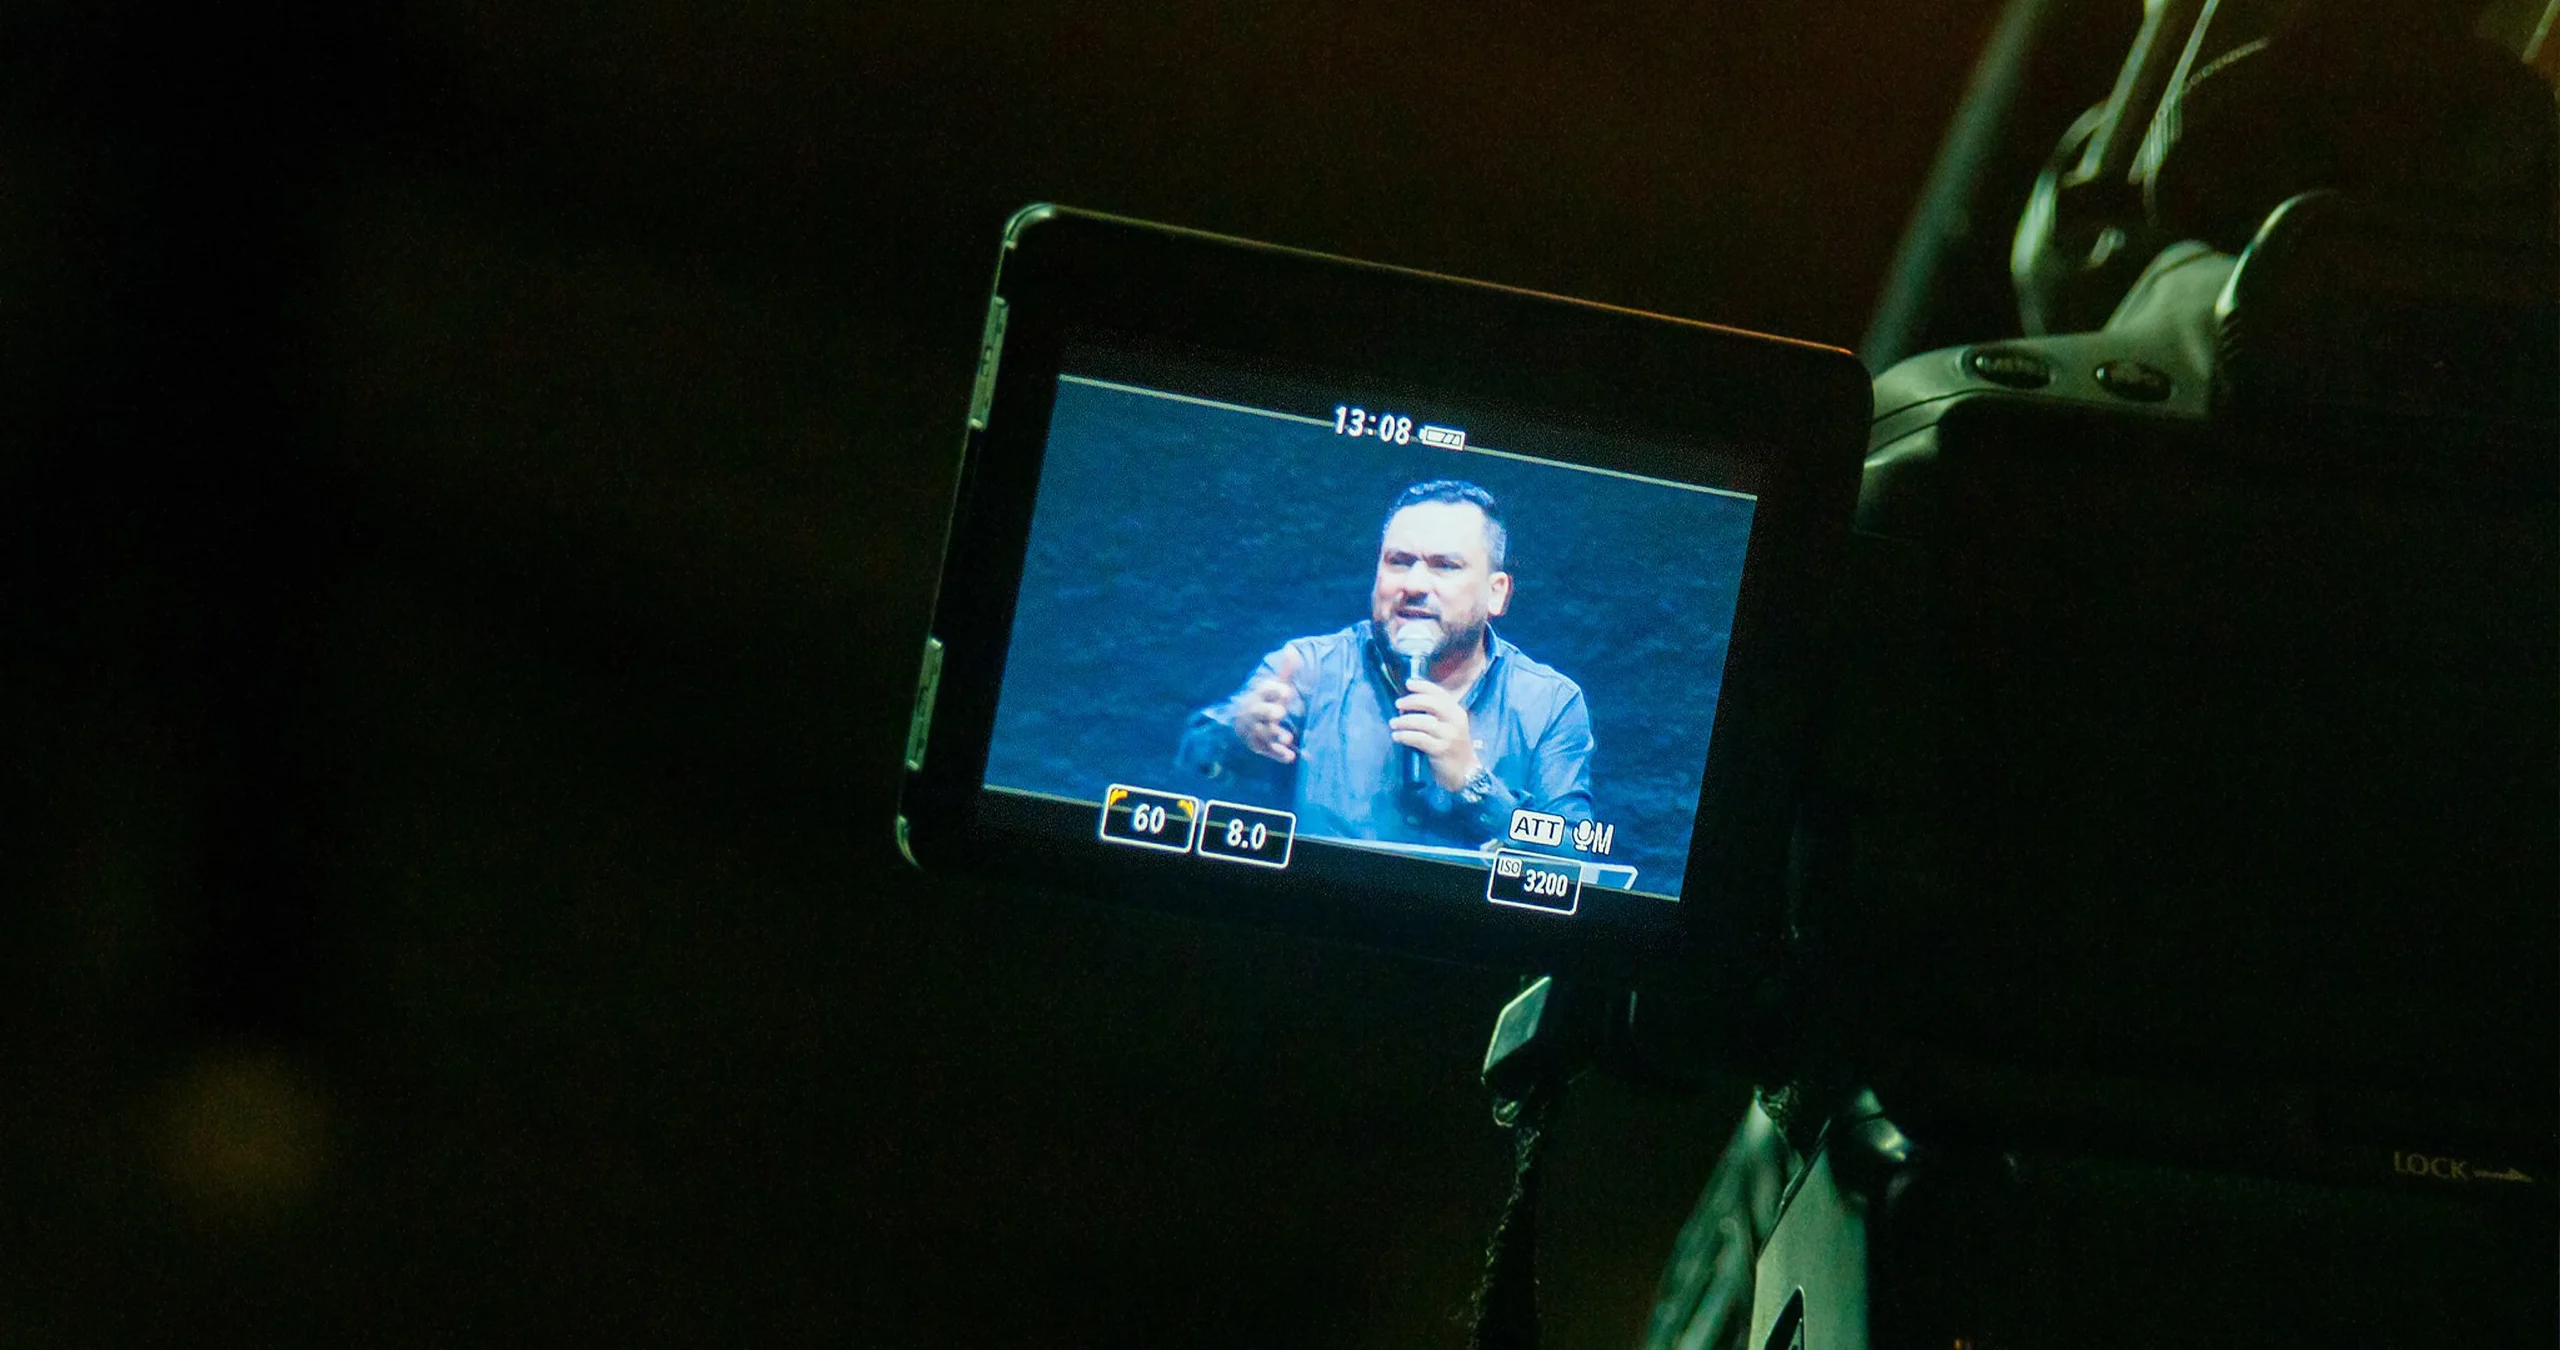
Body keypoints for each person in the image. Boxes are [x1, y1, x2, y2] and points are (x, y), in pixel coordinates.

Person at [1176, 479, 1595, 853]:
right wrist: (1237, 734)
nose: (1413, 585)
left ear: (1496, 594)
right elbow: (1188, 767)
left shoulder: (1548, 703)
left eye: (1445, 566)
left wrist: (1473, 783)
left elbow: (1573, 851)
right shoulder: (1309, 670)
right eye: (1399, 561)